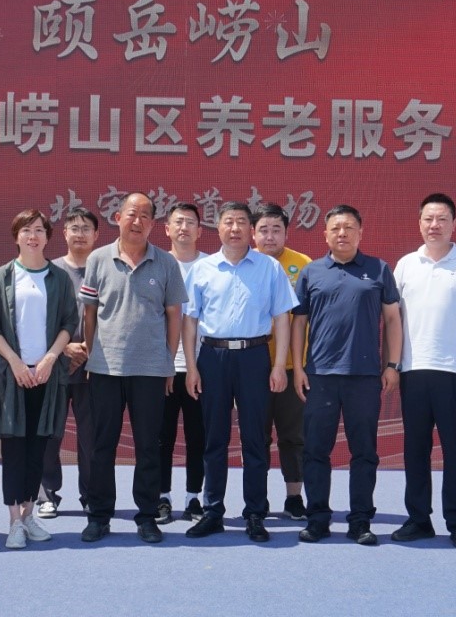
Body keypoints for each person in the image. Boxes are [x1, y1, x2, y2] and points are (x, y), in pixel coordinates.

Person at [182, 202, 297, 542]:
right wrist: (191, 367)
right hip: (212, 357)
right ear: (217, 228)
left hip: (254, 356)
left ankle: (255, 513)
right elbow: (190, 322)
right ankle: (213, 511)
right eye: (228, 222)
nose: (235, 229)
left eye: (241, 223)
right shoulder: (202, 269)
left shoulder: (268, 268)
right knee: (214, 438)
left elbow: (282, 318)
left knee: (255, 439)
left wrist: (279, 365)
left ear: (251, 230)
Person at [79, 192, 187, 544]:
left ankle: (147, 516)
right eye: (131, 214)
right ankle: (99, 516)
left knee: (148, 446)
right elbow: (90, 314)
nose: (137, 221)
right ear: (118, 217)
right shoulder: (98, 259)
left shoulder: (166, 263)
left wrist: (168, 362)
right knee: (102, 445)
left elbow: (174, 316)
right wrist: (91, 355)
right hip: (105, 368)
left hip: (151, 370)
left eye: (144, 215)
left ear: (153, 223)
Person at [291, 204, 402, 545]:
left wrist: (392, 365)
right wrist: (298, 368)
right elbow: (299, 323)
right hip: (320, 375)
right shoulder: (312, 272)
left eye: (349, 227)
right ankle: (317, 518)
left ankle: (360, 520)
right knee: (315, 451)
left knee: (364, 452)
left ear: (360, 233)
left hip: (365, 376)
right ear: (325, 234)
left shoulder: (378, 269)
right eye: (336, 228)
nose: (342, 233)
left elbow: (393, 319)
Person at [392, 193, 456, 549]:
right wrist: (393, 364)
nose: (434, 225)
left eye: (442, 219)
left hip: (454, 371)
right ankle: (419, 519)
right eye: (428, 219)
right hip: (413, 370)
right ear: (419, 223)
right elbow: (393, 319)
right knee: (415, 448)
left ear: (454, 224)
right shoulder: (406, 264)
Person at [0, 210, 77, 549]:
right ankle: (13, 521)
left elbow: (69, 322)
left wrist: (50, 358)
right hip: (13, 376)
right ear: (16, 236)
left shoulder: (59, 278)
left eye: (39, 230)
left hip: (47, 375)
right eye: (26, 230)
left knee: (39, 447)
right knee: (14, 448)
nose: (33, 236)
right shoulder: (3, 276)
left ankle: (28, 515)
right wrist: (15, 363)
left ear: (48, 236)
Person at [36, 207, 99, 519]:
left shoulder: (104, 269)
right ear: (63, 234)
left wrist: (88, 348)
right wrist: (64, 349)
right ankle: (48, 494)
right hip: (55, 363)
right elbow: (38, 319)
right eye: (74, 228)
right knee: (50, 434)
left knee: (92, 436)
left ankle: (91, 495)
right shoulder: (50, 271)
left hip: (95, 366)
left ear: (96, 235)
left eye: (86, 228)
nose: (80, 234)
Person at [252, 203, 311, 520]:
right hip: (251, 368)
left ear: (287, 233)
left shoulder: (304, 265)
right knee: (256, 437)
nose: (269, 236)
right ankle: (257, 500)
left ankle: (293, 497)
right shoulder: (244, 263)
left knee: (293, 437)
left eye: (276, 230)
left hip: (292, 367)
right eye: (263, 230)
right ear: (253, 233)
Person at [158, 202, 209, 523]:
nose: (184, 228)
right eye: (178, 222)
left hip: (202, 368)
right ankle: (162, 497)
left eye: (190, 222)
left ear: (200, 230)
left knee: (197, 437)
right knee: (161, 437)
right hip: (162, 367)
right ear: (167, 229)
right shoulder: (157, 264)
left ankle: (194, 498)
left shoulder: (211, 265)